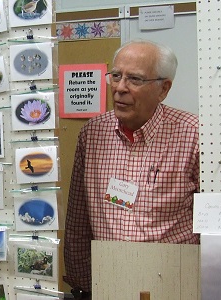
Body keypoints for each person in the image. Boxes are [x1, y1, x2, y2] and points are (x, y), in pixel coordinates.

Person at [63, 40, 199, 299]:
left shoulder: (193, 135)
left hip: (172, 283)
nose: (120, 88)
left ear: (163, 88)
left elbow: (214, 225)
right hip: (109, 282)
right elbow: (78, 217)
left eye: (134, 79)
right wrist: (82, 284)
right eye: (116, 76)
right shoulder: (93, 134)